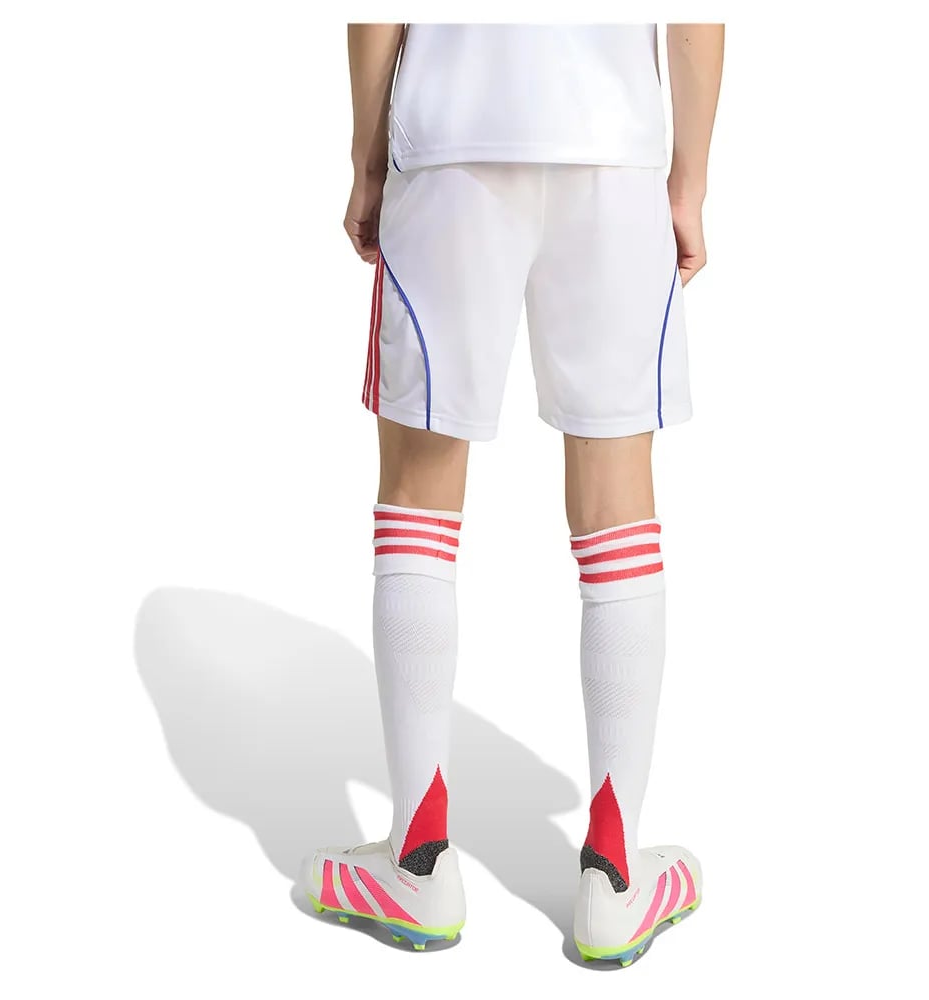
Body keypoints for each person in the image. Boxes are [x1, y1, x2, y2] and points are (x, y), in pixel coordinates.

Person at [300, 22, 724, 966]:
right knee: (619, 503)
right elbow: (697, 18)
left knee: (419, 495)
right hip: (615, 152)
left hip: (451, 140)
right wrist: (688, 182)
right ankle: (615, 877)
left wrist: (366, 160)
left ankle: (418, 863)